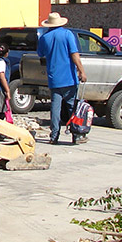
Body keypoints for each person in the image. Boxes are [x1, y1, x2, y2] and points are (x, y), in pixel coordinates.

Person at [37, 12, 87, 145]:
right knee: (72, 107)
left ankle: (54, 136)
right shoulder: (67, 34)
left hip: (54, 78)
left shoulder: (44, 37)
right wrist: (81, 71)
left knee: (55, 108)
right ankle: (76, 134)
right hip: (69, 78)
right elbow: (74, 55)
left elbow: (41, 54)